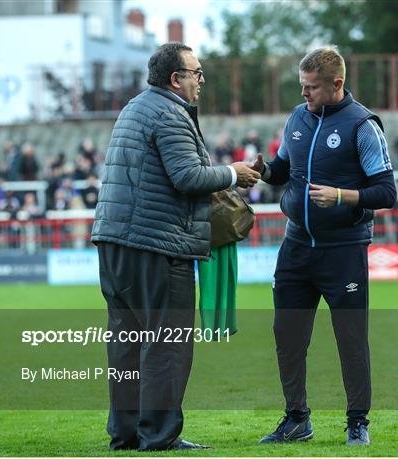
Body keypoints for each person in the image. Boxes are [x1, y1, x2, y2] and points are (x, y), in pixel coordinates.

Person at [90, 42, 260, 452]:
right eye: (196, 72)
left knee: (127, 345)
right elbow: (186, 176)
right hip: (157, 245)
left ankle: (127, 433)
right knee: (167, 345)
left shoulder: (135, 108)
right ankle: (160, 436)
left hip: (115, 243)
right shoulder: (170, 113)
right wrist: (231, 173)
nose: (201, 79)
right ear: (175, 79)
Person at [252, 47, 396, 446]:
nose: (304, 95)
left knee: (350, 338)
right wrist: (260, 170)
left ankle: (357, 422)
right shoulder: (297, 118)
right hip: (296, 246)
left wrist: (342, 196)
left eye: (311, 87)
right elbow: (282, 171)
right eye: (301, 86)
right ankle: (297, 419)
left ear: (337, 84)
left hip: (344, 251)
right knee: (287, 334)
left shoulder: (363, 125)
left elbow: (386, 191)